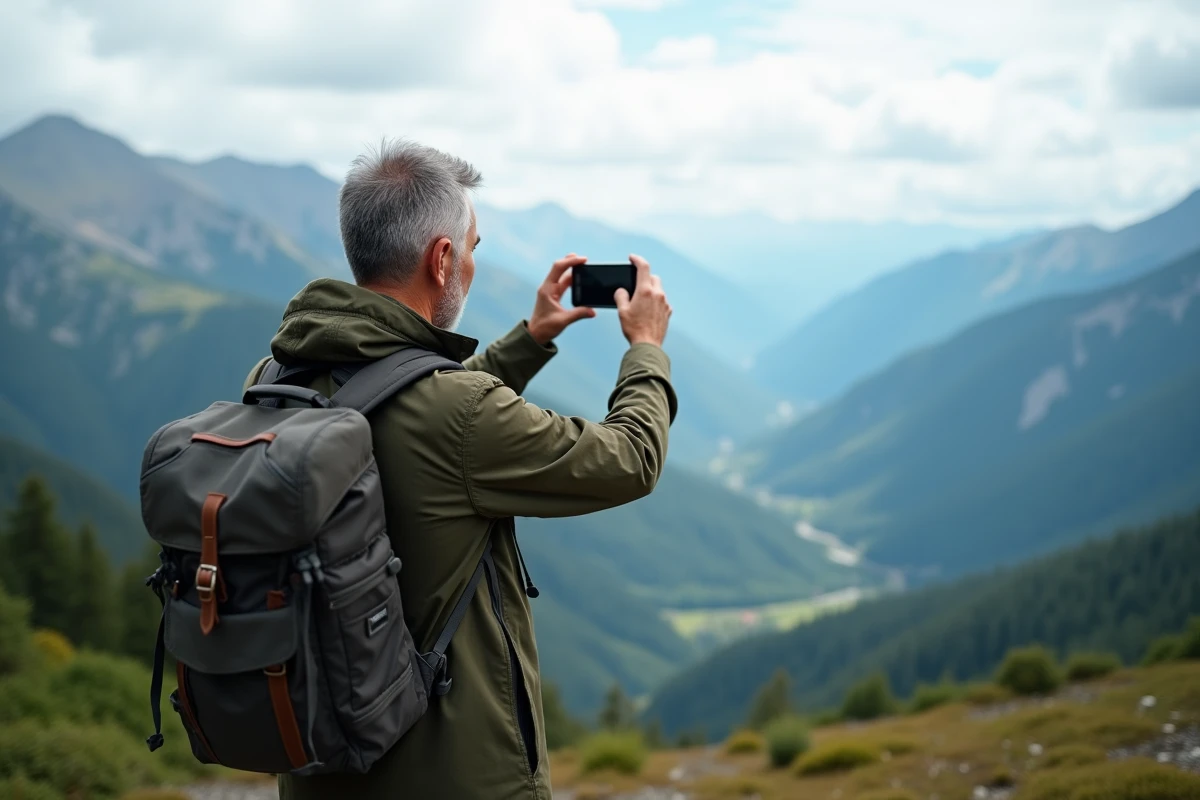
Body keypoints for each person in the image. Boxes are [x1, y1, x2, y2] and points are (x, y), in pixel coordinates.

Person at [245, 139, 676, 799]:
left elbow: (407, 405)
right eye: (472, 248)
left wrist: (531, 339)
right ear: (442, 259)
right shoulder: (457, 413)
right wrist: (646, 348)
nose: (473, 264)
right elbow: (631, 459)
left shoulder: (278, 378)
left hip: (318, 771)